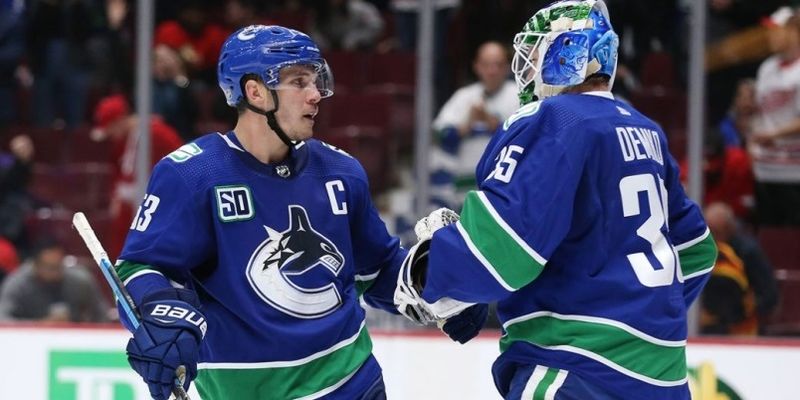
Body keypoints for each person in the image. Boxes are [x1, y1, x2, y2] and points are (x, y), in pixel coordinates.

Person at [115, 25, 486, 400]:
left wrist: (441, 285)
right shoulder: (192, 175)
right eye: (298, 82)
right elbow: (140, 267)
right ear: (255, 92)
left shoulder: (340, 171)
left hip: (352, 385)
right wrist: (160, 311)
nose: (315, 95)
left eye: (315, 80)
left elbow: (378, 269)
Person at [393, 1, 717, 399]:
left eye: (536, 54)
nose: (528, 68)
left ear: (569, 55)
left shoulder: (554, 119)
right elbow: (697, 250)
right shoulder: (645, 128)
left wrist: (432, 270)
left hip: (575, 365)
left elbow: (505, 248)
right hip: (663, 374)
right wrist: (643, 312)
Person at [90, 94, 184, 260]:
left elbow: (182, 166)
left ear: (119, 121)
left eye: (110, 130)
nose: (111, 136)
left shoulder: (157, 134)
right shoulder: (128, 139)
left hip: (156, 216)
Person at [430, 40, 519, 210]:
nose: (492, 71)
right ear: (477, 67)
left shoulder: (519, 95)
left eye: (498, 65)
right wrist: (467, 125)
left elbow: (529, 138)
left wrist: (494, 124)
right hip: (465, 185)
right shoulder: (464, 96)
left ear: (507, 67)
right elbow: (439, 135)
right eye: (487, 65)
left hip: (504, 186)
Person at [749, 10, 800, 226]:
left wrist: (773, 134)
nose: (770, 37)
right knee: (768, 233)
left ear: (794, 32)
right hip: (765, 169)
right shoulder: (767, 68)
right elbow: (760, 111)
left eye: (776, 31)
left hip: (794, 171)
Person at [702, 202, 778, 335]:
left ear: (729, 229)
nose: (712, 238)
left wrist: (743, 311)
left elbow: (769, 295)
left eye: (715, 232)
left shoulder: (748, 252)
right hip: (705, 328)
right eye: (708, 232)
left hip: (743, 330)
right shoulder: (700, 250)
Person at [0, 238, 109, 323]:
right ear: (36, 265)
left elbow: (102, 315)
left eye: (59, 266)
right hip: (31, 339)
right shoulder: (17, 284)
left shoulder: (80, 281)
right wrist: (40, 325)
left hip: (74, 338)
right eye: (50, 268)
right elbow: (3, 320)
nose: (56, 273)